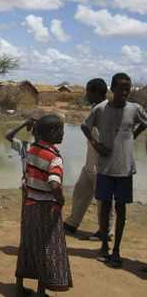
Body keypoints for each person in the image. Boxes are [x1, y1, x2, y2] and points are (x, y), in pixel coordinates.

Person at [82, 72, 147, 268]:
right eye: (122, 88)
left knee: (121, 209)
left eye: (128, 88)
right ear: (112, 89)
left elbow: (145, 123)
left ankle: (116, 250)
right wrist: (96, 144)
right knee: (104, 207)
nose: (126, 92)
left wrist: (132, 137)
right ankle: (104, 246)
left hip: (125, 169)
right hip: (104, 168)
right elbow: (85, 126)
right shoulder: (101, 109)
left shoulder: (134, 109)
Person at [15, 114, 72, 296]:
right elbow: (54, 182)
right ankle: (41, 291)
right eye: (61, 130)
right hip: (47, 209)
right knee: (47, 247)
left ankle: (19, 284)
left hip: (30, 206)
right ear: (53, 132)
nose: (63, 134)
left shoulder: (32, 150)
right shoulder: (55, 157)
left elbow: (27, 176)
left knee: (28, 243)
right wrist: (61, 199)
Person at [64, 78, 111, 240]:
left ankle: (106, 230)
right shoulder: (96, 108)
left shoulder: (104, 109)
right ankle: (72, 223)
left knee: (102, 199)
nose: (86, 94)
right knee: (81, 192)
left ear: (96, 92)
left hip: (101, 164)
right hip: (91, 162)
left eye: (88, 91)